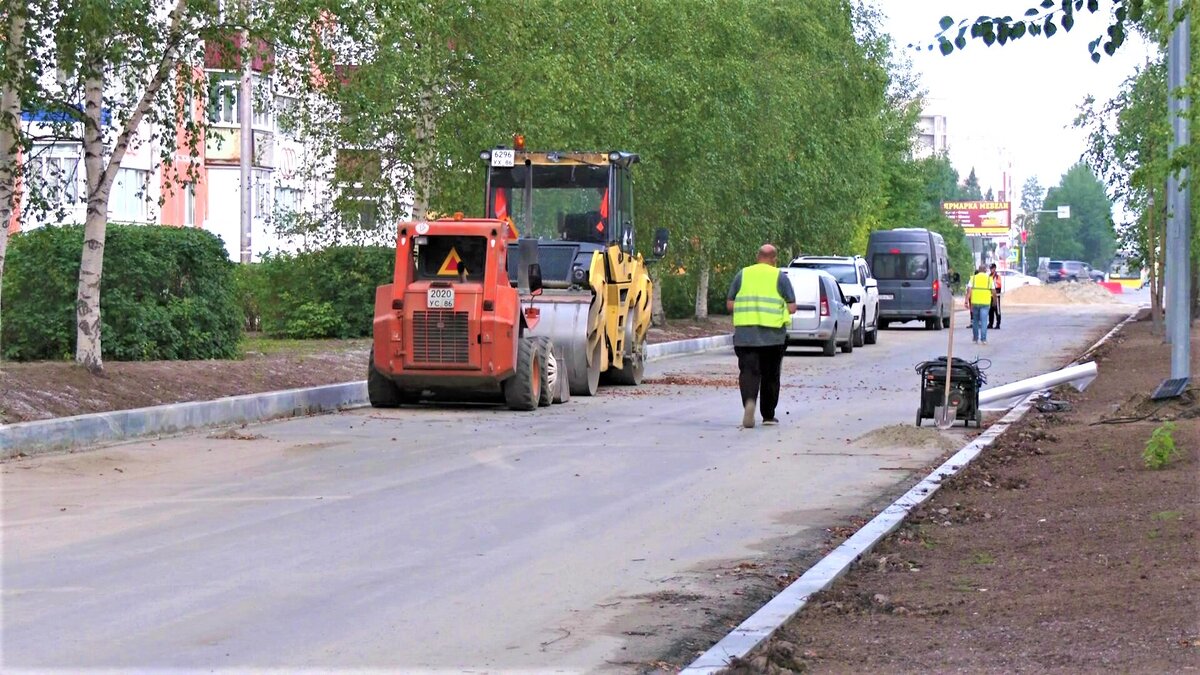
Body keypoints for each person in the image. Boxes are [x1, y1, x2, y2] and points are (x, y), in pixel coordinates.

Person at [726, 244, 797, 428]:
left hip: (745, 336)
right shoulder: (779, 277)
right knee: (771, 376)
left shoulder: (743, 274)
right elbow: (792, 307)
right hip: (773, 338)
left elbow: (730, 304)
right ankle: (768, 416)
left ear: (757, 257)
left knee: (748, 372)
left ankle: (749, 402)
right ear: (774, 259)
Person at [965, 263, 995, 345]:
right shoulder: (989, 279)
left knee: (975, 321)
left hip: (975, 302)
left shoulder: (973, 278)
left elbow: (969, 290)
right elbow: (993, 291)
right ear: (985, 270)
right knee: (984, 321)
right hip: (985, 303)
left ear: (978, 270)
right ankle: (983, 339)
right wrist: (995, 301)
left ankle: (975, 338)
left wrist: (966, 301)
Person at [987, 263, 1003, 330]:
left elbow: (999, 285)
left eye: (992, 268)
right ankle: (990, 323)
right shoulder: (989, 276)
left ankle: (998, 324)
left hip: (996, 295)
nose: (991, 270)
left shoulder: (997, 276)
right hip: (990, 296)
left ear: (995, 268)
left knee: (997, 310)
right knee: (990, 310)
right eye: (990, 268)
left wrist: (993, 284)